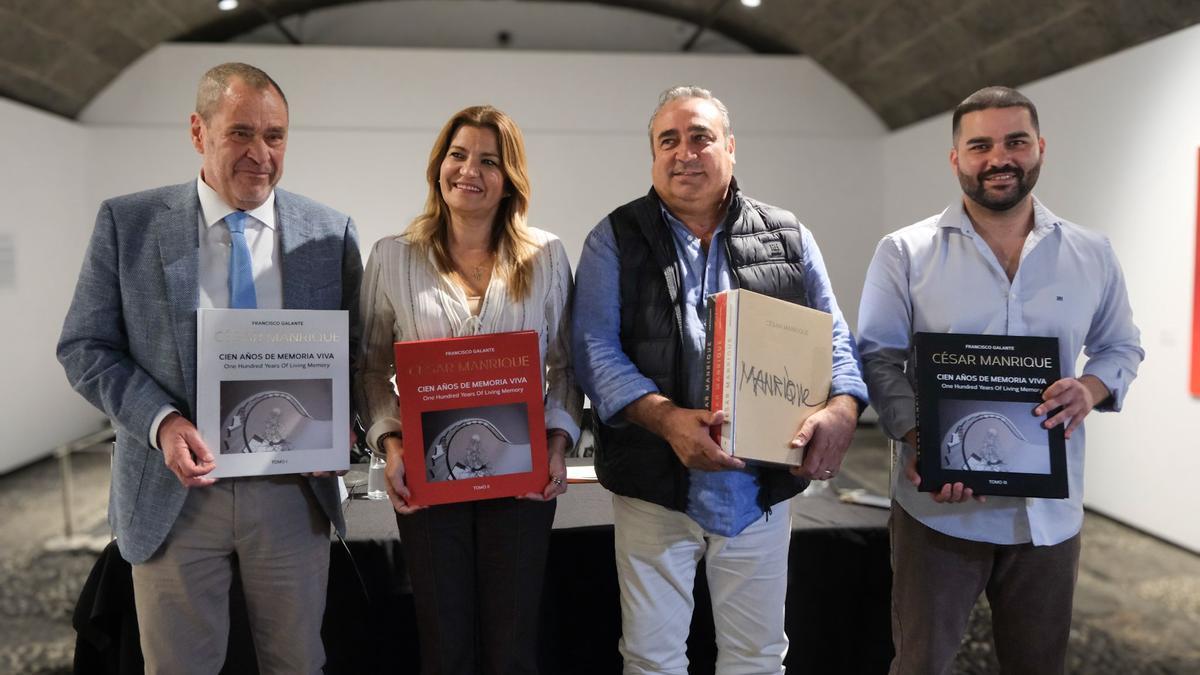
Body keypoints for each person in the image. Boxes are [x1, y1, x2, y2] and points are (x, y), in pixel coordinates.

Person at [56, 63, 362, 673]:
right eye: (240, 133)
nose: (261, 153)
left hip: (291, 494)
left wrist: (343, 426)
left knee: (298, 664)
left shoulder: (329, 233)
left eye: (275, 136)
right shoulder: (130, 224)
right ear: (198, 132)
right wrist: (162, 422)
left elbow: (355, 352)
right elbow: (85, 347)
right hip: (174, 496)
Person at [572, 86, 868, 674]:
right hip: (655, 485)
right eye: (669, 140)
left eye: (701, 137)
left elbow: (833, 337)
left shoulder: (789, 236)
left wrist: (843, 407)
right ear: (652, 156)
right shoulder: (613, 239)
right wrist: (667, 419)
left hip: (757, 489)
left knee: (757, 657)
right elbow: (593, 350)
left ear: (730, 148)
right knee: (653, 659)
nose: (686, 152)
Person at [856, 86, 1144, 674]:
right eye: (980, 145)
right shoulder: (905, 253)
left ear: (1039, 147)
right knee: (920, 665)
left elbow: (1120, 347)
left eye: (1015, 141)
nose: (999, 158)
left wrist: (1090, 390)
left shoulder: (1091, 252)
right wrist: (921, 438)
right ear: (955, 157)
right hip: (937, 509)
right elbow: (877, 359)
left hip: (1049, 515)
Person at [354, 105, 581, 675]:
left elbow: (567, 365)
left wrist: (557, 442)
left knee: (512, 649)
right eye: (458, 155)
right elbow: (370, 365)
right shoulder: (391, 256)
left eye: (488, 160)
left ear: (510, 179)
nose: (469, 171)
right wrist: (392, 445)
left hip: (522, 480)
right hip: (430, 478)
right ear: (438, 165)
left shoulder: (547, 256)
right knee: (444, 646)